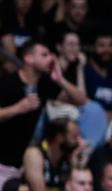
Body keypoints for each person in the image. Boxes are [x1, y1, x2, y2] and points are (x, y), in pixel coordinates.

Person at [0, 39, 87, 178]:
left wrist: (60, 80)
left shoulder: (44, 84)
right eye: (44, 55)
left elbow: (81, 100)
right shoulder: (8, 82)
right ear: (29, 58)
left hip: (19, 163)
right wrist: (18, 108)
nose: (51, 58)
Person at [23, 118, 87, 191]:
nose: (79, 142)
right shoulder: (35, 154)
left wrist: (75, 164)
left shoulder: (70, 157)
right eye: (74, 136)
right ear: (59, 137)